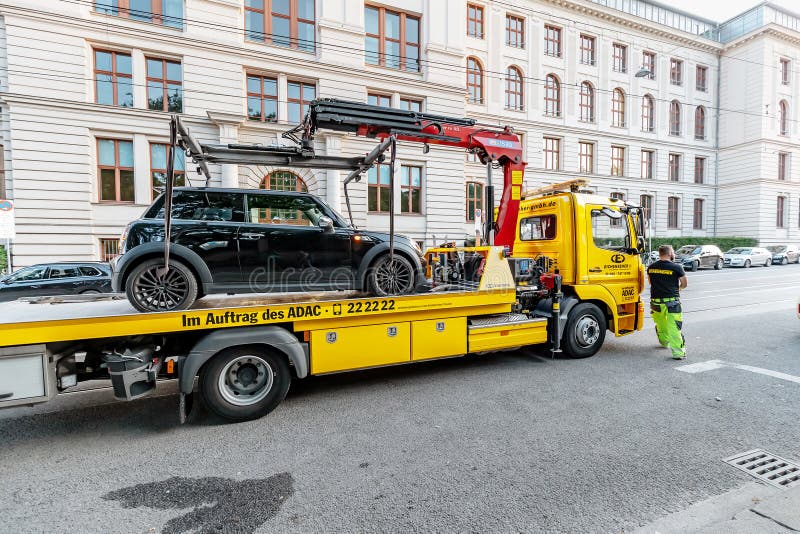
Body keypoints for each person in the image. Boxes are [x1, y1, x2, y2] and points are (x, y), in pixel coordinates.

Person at [647, 244, 688, 359]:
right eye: (673, 252)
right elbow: (684, 284)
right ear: (670, 253)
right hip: (672, 303)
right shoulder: (677, 267)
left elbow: (650, 282)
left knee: (661, 324)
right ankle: (678, 353)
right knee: (674, 327)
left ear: (660, 253)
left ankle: (664, 342)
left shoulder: (651, 267)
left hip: (655, 302)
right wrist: (678, 289)